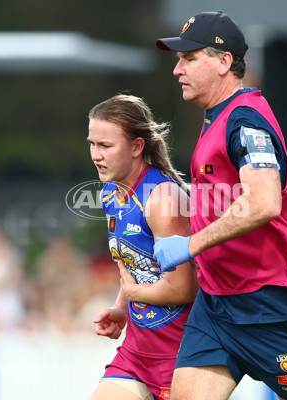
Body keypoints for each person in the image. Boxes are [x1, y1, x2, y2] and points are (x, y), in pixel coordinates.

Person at [154, 11, 287, 400]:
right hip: (217, 304)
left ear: (223, 62)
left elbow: (263, 202)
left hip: (270, 304)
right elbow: (224, 196)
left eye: (189, 58)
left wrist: (190, 245)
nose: (177, 70)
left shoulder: (245, 120)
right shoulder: (218, 117)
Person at [87, 94, 198, 400]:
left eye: (106, 146)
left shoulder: (162, 199)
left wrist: (135, 294)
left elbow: (183, 289)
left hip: (180, 354)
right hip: (137, 351)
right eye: (92, 144)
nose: (96, 155)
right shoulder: (110, 193)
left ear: (137, 147)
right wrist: (122, 308)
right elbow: (137, 265)